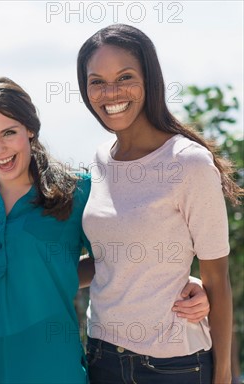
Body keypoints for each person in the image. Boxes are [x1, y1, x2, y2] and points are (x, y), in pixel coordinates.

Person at [0, 77, 211, 384]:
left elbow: (116, 254)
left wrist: (186, 281)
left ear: (30, 129)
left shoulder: (77, 192)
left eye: (8, 132)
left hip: (51, 366)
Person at [77, 24, 240, 384]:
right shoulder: (100, 161)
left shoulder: (189, 163)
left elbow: (217, 278)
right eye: (97, 81)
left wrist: (224, 375)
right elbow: (108, 261)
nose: (111, 92)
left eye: (125, 77)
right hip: (102, 355)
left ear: (150, 80)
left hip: (173, 365)